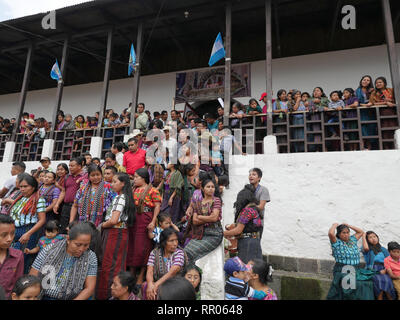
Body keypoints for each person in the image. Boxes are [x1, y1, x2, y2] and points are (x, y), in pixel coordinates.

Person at [29, 222, 98, 300]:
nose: (81, 249)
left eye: (86, 245)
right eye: (78, 245)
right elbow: (32, 277)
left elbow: (89, 288)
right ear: (68, 239)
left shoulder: (90, 256)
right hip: (45, 297)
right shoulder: (49, 250)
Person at [95, 173, 136, 300]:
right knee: (116, 264)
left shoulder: (120, 198)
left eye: (114, 181)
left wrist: (101, 225)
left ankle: (106, 295)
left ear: (123, 183)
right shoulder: (125, 197)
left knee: (109, 265)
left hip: (114, 233)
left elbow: (113, 220)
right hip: (121, 233)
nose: (112, 184)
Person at [128, 168, 161, 286]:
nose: (135, 179)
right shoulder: (133, 189)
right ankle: (131, 272)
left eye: (137, 177)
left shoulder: (152, 190)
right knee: (132, 245)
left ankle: (141, 274)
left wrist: (153, 221)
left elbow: (157, 206)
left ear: (144, 178)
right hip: (133, 219)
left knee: (144, 246)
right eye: (134, 177)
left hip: (145, 218)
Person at [9, 173, 46, 274]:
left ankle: (20, 285)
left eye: (25, 186)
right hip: (14, 231)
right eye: (21, 186)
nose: (22, 189)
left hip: (27, 231)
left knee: (20, 260)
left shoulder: (39, 200)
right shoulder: (20, 198)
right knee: (10, 259)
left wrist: (28, 234)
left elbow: (42, 220)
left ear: (33, 187)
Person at [327, 223, 374, 300]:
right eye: (343, 233)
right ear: (338, 234)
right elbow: (331, 233)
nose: (346, 234)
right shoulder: (337, 243)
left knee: (367, 283)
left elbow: (360, 232)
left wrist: (348, 225)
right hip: (343, 270)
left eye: (348, 232)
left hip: (356, 269)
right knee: (350, 288)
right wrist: (334, 225)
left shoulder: (352, 240)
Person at [184, 179, 223, 262]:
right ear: (203, 189)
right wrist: (209, 218)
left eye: (212, 187)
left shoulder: (216, 200)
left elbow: (214, 218)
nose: (211, 189)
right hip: (201, 233)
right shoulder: (198, 202)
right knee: (185, 251)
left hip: (214, 234)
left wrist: (200, 217)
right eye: (208, 187)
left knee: (190, 252)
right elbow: (194, 221)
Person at [223, 184, 262, 263]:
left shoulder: (247, 211)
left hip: (247, 242)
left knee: (246, 268)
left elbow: (238, 230)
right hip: (255, 241)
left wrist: (222, 233)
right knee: (255, 268)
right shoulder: (254, 208)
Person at [145, 227, 187, 300]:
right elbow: (150, 270)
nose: (175, 243)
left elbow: (172, 272)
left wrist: (156, 285)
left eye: (176, 240)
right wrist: (150, 285)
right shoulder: (154, 252)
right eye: (171, 241)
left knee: (161, 291)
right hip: (158, 282)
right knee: (145, 286)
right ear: (164, 242)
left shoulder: (179, 253)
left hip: (175, 284)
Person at [54, 157, 87, 234]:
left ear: (79, 166)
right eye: (69, 166)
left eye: (72, 166)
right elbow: (63, 191)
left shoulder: (85, 177)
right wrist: (57, 204)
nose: (70, 168)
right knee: (63, 228)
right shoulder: (67, 177)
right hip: (66, 207)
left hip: (78, 207)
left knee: (74, 230)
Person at [362, 231, 395, 300]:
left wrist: (386, 269)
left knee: (387, 281)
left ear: (377, 237)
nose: (373, 239)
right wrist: (363, 236)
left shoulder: (383, 249)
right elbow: (366, 248)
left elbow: (389, 261)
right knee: (378, 281)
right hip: (373, 270)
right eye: (370, 237)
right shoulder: (368, 249)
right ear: (367, 240)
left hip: (384, 268)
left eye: (374, 236)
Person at [0, 215, 24, 300]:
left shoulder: (18, 256)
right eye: (4, 235)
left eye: (12, 233)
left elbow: (17, 285)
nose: (9, 239)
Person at [248, 168, 270, 235]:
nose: (251, 176)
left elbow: (261, 207)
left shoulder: (263, 190)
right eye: (250, 175)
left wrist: (247, 207)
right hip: (245, 222)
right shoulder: (246, 189)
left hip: (257, 223)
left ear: (259, 178)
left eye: (254, 174)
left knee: (255, 244)